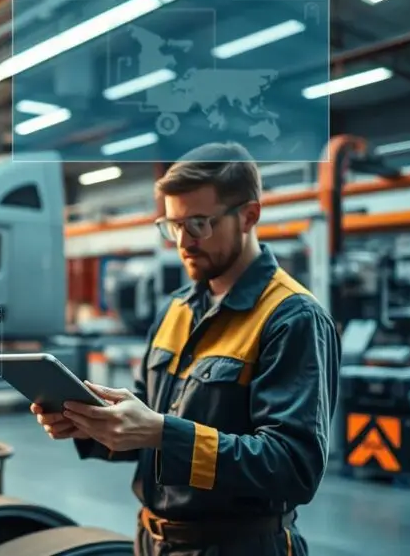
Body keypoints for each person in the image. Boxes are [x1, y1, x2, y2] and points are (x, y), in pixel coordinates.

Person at [32, 142, 340, 556]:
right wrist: (90, 425)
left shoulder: (291, 318)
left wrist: (163, 432)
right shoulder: (174, 310)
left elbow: (294, 467)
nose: (183, 241)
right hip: (153, 541)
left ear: (249, 216)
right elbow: (148, 427)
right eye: (172, 225)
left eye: (199, 224)